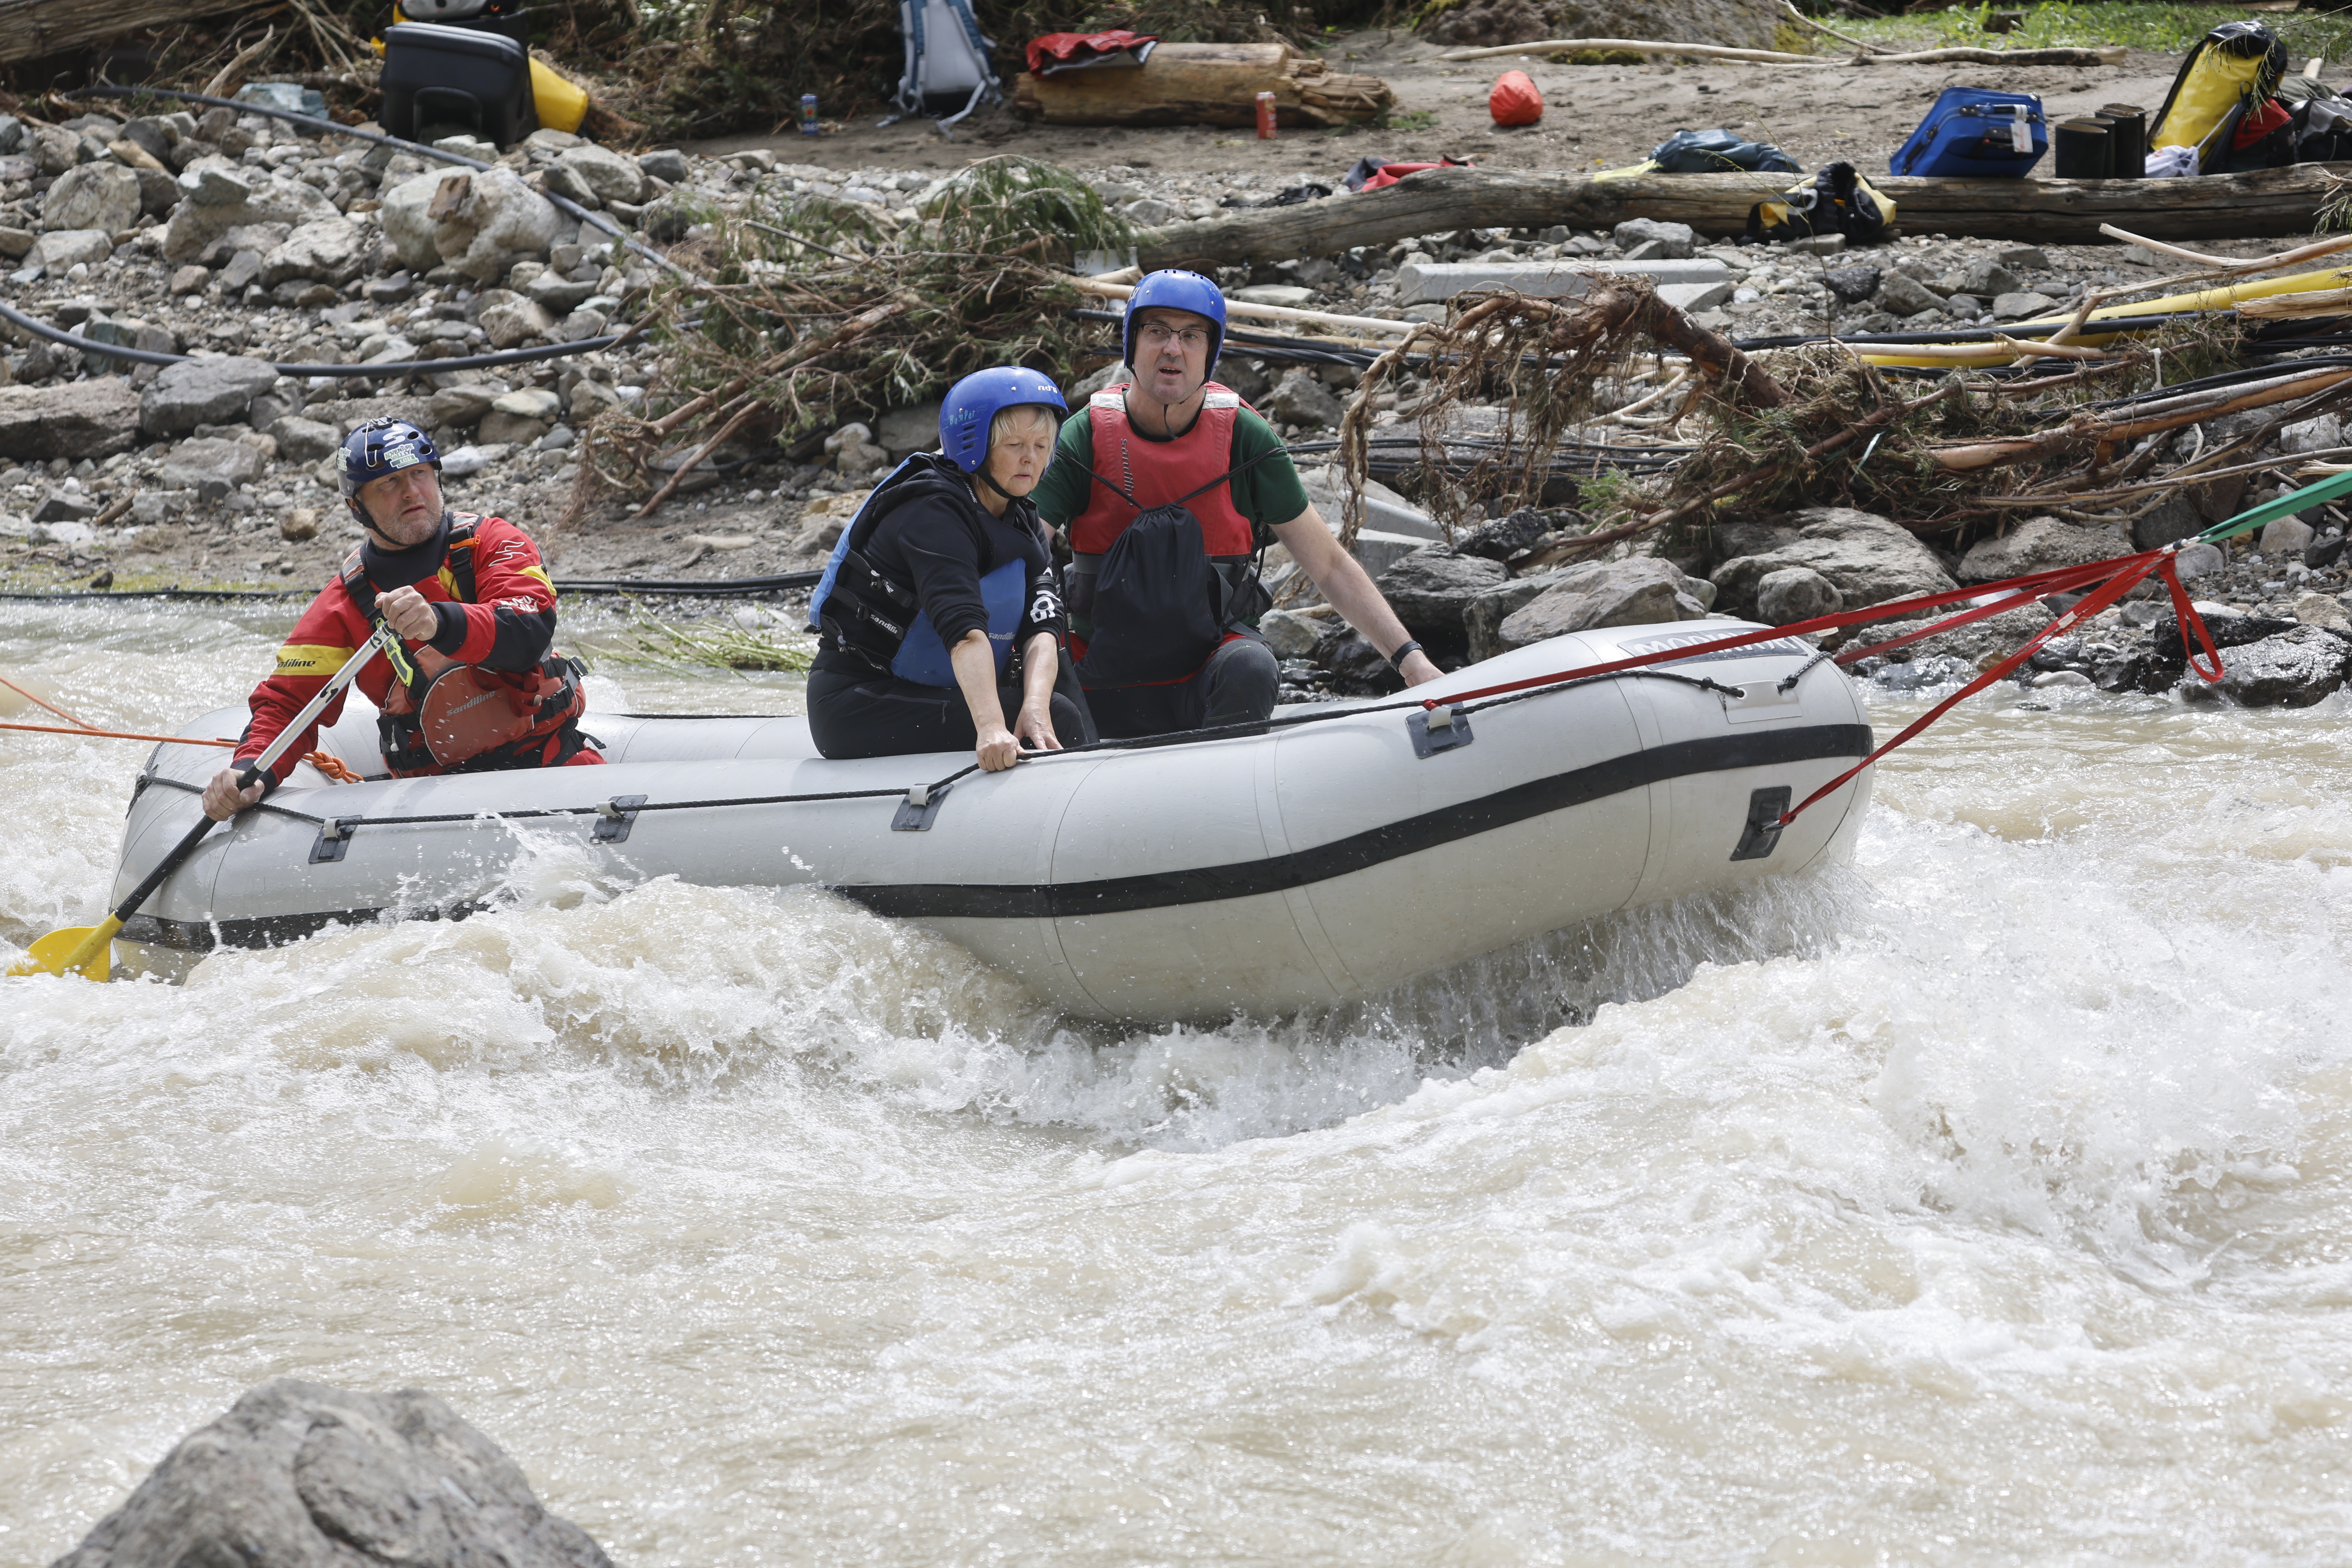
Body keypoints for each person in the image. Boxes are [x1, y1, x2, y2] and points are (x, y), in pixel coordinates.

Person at [1029, 269, 1443, 739]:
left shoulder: (1247, 437)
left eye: (1191, 336)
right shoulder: (1083, 436)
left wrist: (1412, 663)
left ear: (1210, 352)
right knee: (1039, 670)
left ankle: (1219, 783)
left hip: (1205, 669)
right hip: (1096, 672)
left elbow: (1328, 565)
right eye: (1157, 331)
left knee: (1251, 665)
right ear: (1132, 344)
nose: (1173, 349)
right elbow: (1022, 552)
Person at [201, 418, 598, 821]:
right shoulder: (345, 602)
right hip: (435, 805)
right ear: (357, 506)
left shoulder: (493, 542)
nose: (411, 492)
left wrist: (439, 623)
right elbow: (289, 704)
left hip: (554, 767)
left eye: (419, 474)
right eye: (388, 484)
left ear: (436, 477)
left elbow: (528, 629)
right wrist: (252, 767)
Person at [805, 366, 1093, 771]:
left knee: (1054, 701)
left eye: (1042, 445)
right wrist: (992, 727)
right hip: (859, 698)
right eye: (1015, 444)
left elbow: (1042, 629)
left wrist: (1035, 707)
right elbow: (965, 636)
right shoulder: (933, 511)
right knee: (1060, 716)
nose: (1031, 457)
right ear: (974, 445)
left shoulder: (1023, 517)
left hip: (933, 688)